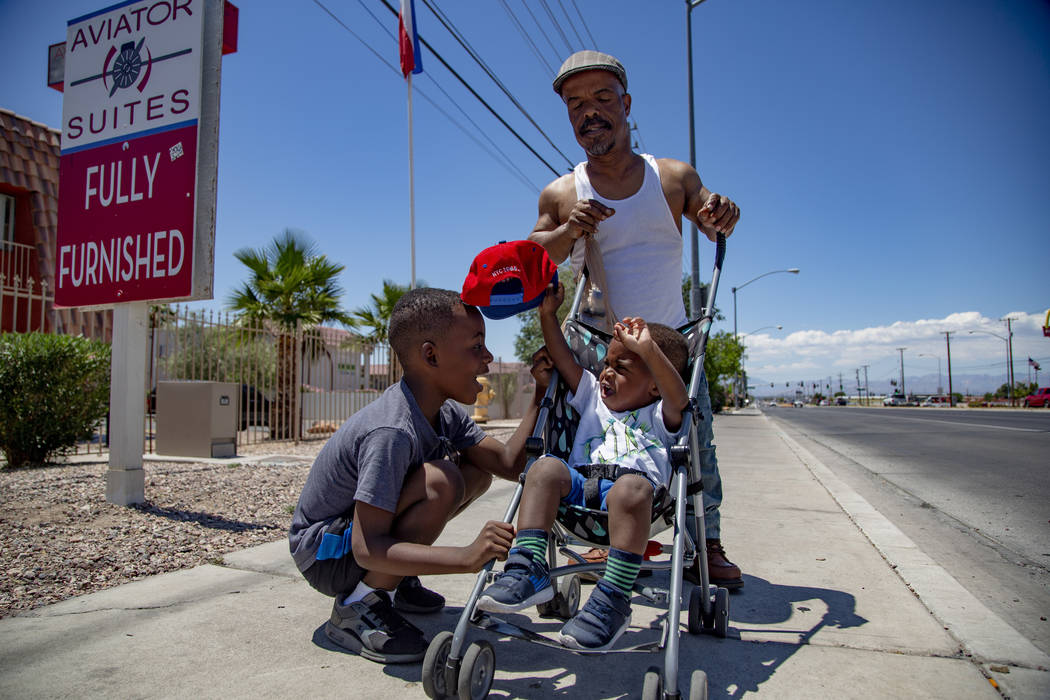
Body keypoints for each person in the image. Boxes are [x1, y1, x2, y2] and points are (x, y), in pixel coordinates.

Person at [528, 49, 744, 589]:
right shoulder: (560, 192)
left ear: (626, 105)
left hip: (671, 346)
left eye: (602, 99)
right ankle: (596, 530)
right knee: (583, 441)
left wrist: (721, 212)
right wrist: (568, 229)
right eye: (576, 104)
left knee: (697, 446)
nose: (589, 112)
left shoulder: (669, 176)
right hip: (600, 343)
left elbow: (710, 216)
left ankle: (705, 545)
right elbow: (535, 258)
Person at [288, 287, 552, 664]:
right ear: (431, 355)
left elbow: (509, 465)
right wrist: (466, 557)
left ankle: (396, 580)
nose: (488, 358)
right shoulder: (391, 431)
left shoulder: (443, 412)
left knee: (474, 472)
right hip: (326, 554)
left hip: (354, 540)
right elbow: (368, 547)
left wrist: (540, 390)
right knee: (440, 480)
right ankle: (359, 605)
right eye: (476, 346)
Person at [477, 279, 689, 650]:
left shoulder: (661, 413)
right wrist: (548, 314)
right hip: (579, 488)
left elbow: (679, 396)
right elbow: (562, 355)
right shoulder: (591, 396)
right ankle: (529, 567)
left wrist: (650, 351)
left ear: (654, 385)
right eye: (607, 364)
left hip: (637, 499)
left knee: (632, 487)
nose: (606, 373)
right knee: (543, 467)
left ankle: (612, 598)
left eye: (620, 368)